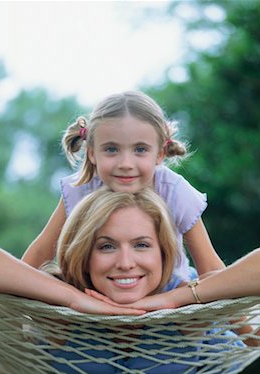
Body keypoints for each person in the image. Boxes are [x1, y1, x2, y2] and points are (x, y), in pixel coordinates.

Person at [0, 188, 260, 374]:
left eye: (142, 245)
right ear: (85, 255)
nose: (125, 262)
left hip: (194, 329)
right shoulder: (59, 307)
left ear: (163, 253)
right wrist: (73, 299)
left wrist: (174, 301)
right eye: (106, 246)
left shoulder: (189, 299)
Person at [22, 90, 225, 291]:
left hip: (169, 293)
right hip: (100, 288)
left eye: (140, 149)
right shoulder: (80, 189)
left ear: (160, 153)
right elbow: (40, 253)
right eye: (111, 149)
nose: (126, 164)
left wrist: (244, 325)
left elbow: (209, 267)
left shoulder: (174, 191)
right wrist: (12, 309)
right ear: (92, 153)